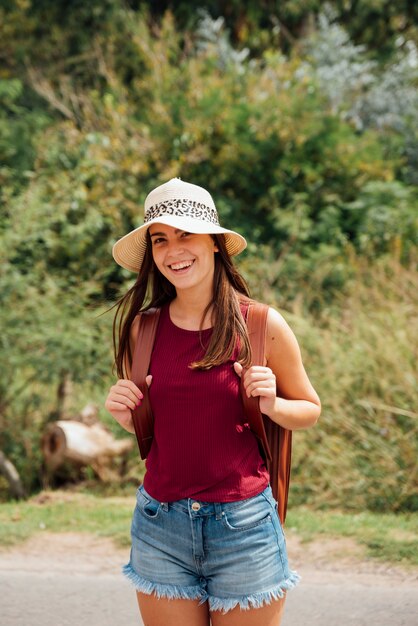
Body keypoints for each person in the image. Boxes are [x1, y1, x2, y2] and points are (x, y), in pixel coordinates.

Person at [105, 178, 321, 626]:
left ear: (216, 244)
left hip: (243, 528)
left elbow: (309, 409)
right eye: (160, 239)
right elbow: (154, 427)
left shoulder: (261, 324)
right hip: (159, 525)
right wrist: (127, 414)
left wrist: (271, 404)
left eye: (186, 234)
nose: (173, 250)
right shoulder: (141, 329)